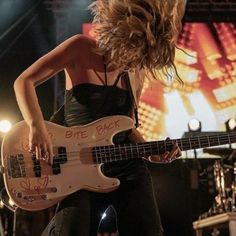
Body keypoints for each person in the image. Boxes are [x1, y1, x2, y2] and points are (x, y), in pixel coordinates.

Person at [13, 0, 186, 235]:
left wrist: (149, 151)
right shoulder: (80, 47)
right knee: (71, 229)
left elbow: (125, 124)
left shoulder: (136, 72)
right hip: (78, 164)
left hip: (126, 166)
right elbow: (24, 81)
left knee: (148, 230)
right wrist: (36, 126)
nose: (135, 59)